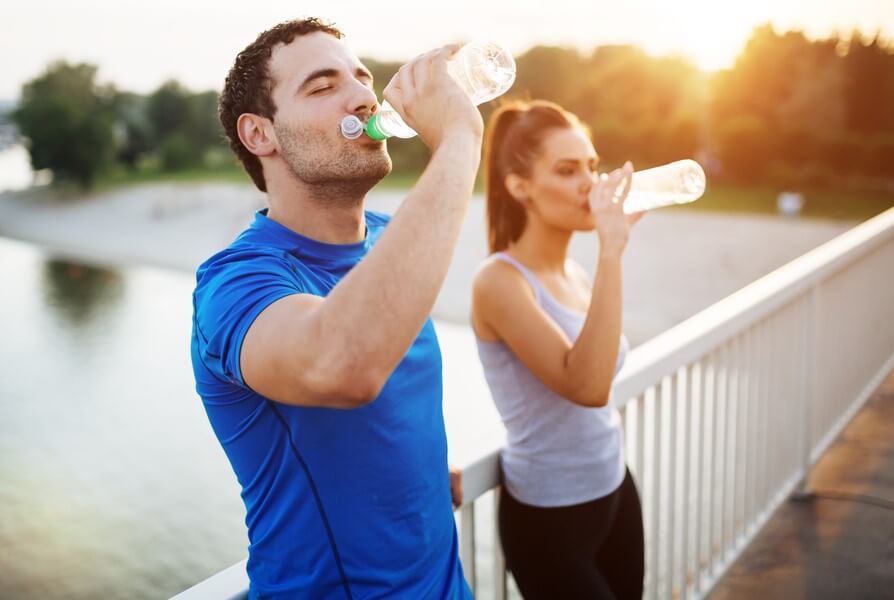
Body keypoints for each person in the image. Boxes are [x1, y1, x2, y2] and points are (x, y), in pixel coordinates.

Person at [190, 18, 482, 599]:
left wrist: (419, 474)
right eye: (323, 87)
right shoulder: (234, 284)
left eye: (362, 77)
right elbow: (343, 364)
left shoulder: (388, 239)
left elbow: (388, 415)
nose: (363, 96)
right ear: (260, 135)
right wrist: (459, 139)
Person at [471, 99, 645, 599]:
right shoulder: (500, 282)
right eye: (568, 171)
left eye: (592, 166)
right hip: (550, 517)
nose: (590, 184)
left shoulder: (574, 273)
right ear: (519, 186)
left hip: (612, 485)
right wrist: (612, 251)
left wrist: (605, 257)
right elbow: (587, 386)